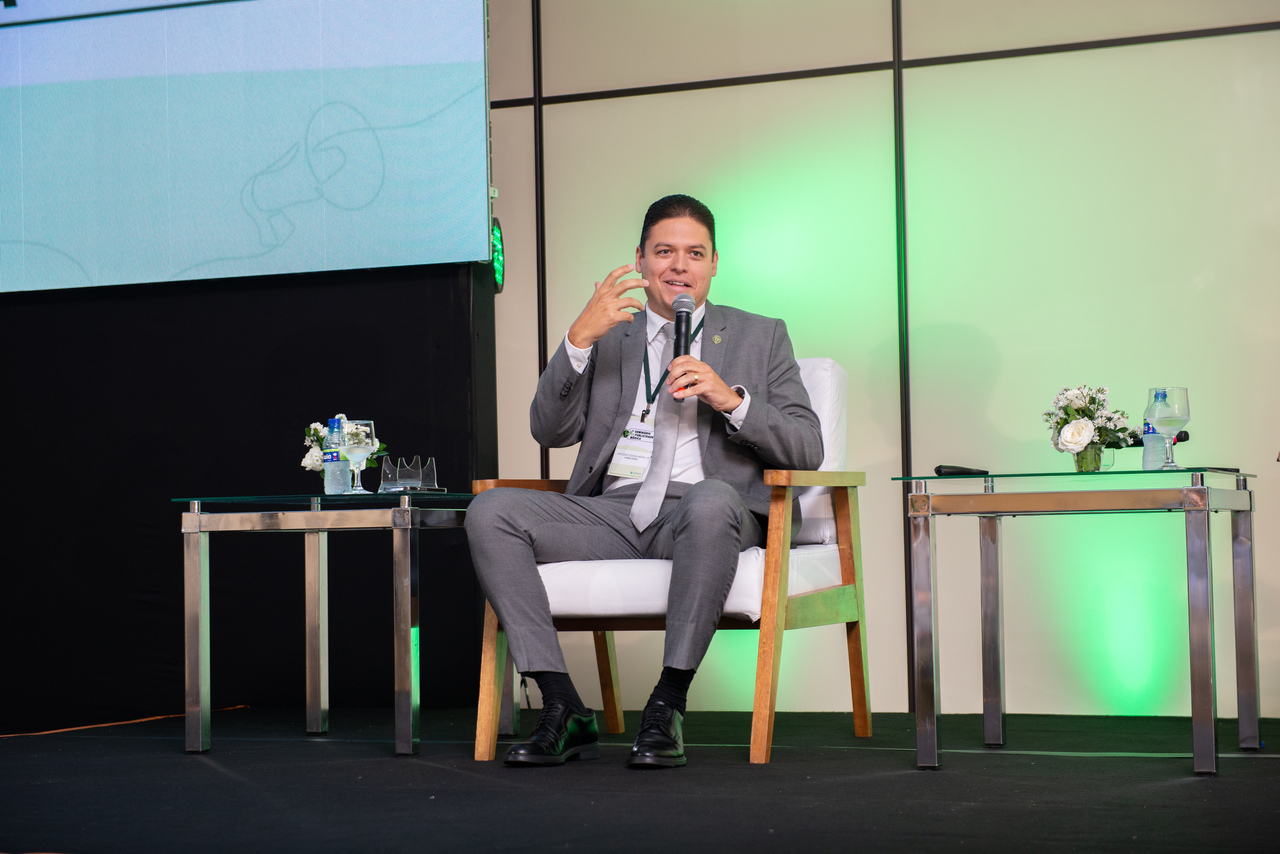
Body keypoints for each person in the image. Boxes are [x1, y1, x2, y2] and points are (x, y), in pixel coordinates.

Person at [465, 194, 822, 768]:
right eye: (664, 252)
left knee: (709, 500)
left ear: (714, 263)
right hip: (615, 512)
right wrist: (577, 341)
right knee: (489, 510)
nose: (679, 266)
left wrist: (730, 399)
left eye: (695, 253)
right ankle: (560, 704)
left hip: (710, 513)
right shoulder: (611, 335)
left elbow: (807, 447)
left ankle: (667, 703)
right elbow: (549, 431)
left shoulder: (761, 336)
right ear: (640, 259)